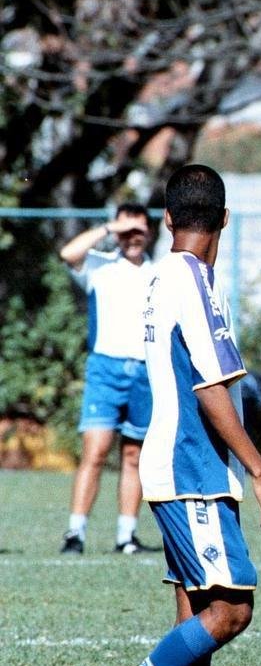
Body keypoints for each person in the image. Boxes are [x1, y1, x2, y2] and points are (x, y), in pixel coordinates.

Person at [73, 165, 261, 666]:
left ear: (167, 220)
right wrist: (260, 471)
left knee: (194, 617)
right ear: (224, 220)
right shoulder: (193, 280)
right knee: (231, 612)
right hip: (192, 467)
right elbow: (212, 386)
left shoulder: (161, 276)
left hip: (175, 467)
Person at [59, 203, 158, 555]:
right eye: (127, 231)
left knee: (134, 455)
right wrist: (109, 228)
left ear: (149, 232)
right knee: (95, 451)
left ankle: (126, 536)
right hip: (106, 369)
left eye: (139, 230)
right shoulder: (100, 266)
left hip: (145, 371)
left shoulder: (157, 273)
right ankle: (75, 533)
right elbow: (68, 252)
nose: (133, 238)